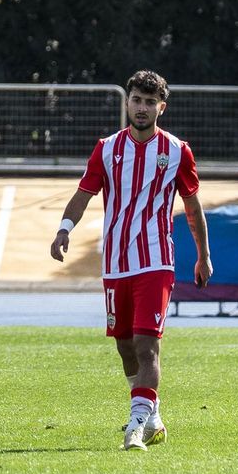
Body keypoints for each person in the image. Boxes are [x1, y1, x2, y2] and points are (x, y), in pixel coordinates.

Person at [49, 70, 211, 451]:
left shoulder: (177, 151)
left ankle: (135, 427)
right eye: (136, 100)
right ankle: (151, 416)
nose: (142, 108)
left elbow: (192, 205)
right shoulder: (106, 149)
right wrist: (64, 229)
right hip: (116, 262)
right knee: (124, 345)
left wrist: (203, 255)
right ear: (127, 102)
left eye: (150, 102)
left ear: (161, 108)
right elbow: (84, 193)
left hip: (156, 260)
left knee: (145, 344)